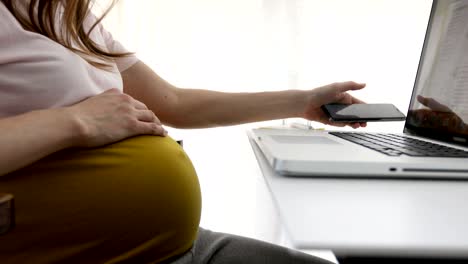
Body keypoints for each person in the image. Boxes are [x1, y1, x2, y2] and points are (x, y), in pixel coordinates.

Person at [0, 0, 367, 263]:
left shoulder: (64, 13)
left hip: (175, 246)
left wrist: (302, 102)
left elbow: (173, 102)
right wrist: (76, 122)